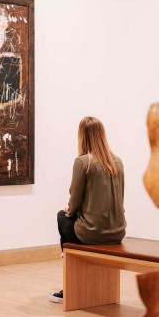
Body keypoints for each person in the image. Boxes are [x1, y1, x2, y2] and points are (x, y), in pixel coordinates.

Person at [49, 116, 126, 303]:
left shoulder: (83, 162)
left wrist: (70, 210)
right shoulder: (118, 161)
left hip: (92, 233)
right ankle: (76, 271)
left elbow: (74, 201)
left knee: (62, 217)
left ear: (82, 136)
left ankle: (70, 283)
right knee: (68, 220)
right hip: (117, 232)